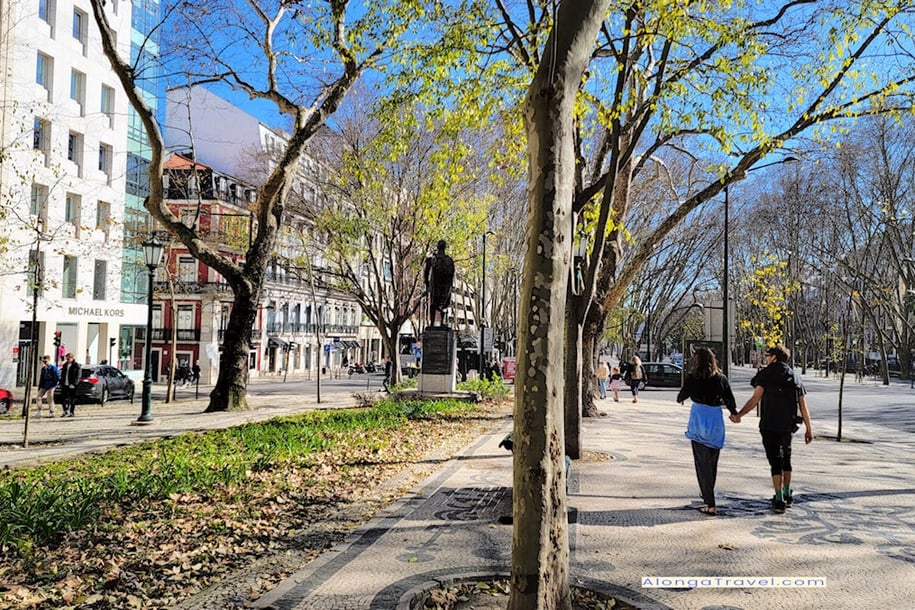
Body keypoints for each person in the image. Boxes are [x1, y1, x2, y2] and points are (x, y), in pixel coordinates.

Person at [731, 345, 813, 514]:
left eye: (768, 355)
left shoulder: (765, 375)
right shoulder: (795, 377)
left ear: (774, 357)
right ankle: (787, 492)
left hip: (769, 424)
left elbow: (755, 399)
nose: (766, 358)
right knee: (786, 458)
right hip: (788, 425)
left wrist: (740, 415)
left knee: (775, 461)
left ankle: (778, 498)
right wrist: (808, 428)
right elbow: (803, 406)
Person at [677, 348, 738, 516]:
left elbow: (681, 396)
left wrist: (682, 398)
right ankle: (707, 495)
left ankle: (710, 502)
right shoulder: (721, 378)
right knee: (712, 463)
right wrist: (734, 414)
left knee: (701, 462)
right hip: (715, 420)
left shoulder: (692, 378)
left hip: (698, 419)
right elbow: (730, 399)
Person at [423, 240, 455, 326]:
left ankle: (432, 323)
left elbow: (426, 272)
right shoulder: (449, 260)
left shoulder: (432, 259)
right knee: (443, 305)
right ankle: (442, 322)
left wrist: (427, 284)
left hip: (435, 286)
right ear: (445, 247)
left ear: (437, 247)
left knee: (433, 304)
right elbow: (452, 275)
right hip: (445, 287)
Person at [59, 353, 81, 417]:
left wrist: (74, 384)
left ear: (72, 358)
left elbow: (78, 376)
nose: (67, 360)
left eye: (69, 358)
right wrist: (61, 383)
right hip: (65, 384)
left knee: (72, 399)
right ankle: (65, 410)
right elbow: (62, 374)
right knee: (63, 398)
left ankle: (71, 412)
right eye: (67, 358)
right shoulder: (65, 365)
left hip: (72, 384)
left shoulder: (76, 365)